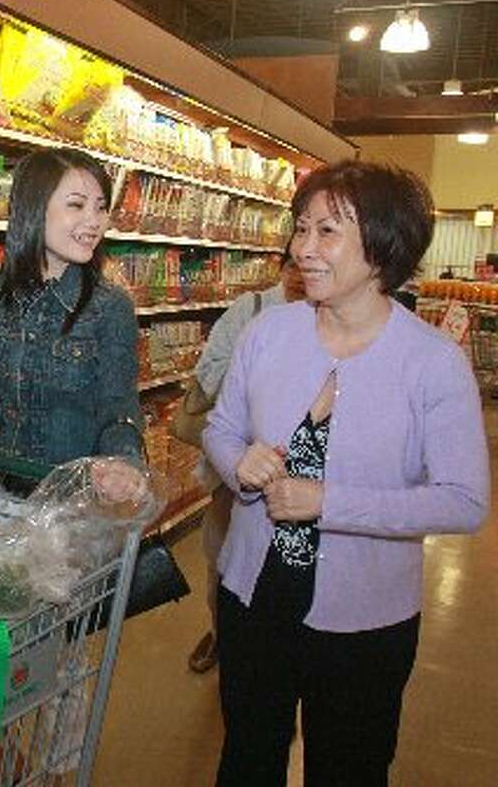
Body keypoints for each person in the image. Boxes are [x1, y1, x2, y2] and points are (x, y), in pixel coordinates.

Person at [203, 160, 489, 785]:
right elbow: (220, 430)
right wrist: (237, 463)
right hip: (254, 598)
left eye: (326, 231)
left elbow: (464, 501)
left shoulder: (433, 363)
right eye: (300, 229)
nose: (304, 249)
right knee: (248, 757)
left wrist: (329, 501)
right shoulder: (267, 333)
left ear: (383, 245)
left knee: (349, 768)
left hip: (367, 621)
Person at [0, 146, 146, 501]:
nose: (95, 220)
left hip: (66, 508)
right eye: (76, 204)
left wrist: (124, 462)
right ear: (34, 209)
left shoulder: (110, 307)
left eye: (101, 207)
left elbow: (118, 406)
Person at [186, 256, 306, 674]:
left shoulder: (333, 318)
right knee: (222, 555)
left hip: (304, 477)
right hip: (236, 465)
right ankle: (222, 633)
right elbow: (209, 368)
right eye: (293, 264)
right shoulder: (252, 309)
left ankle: (278, 654)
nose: (301, 274)